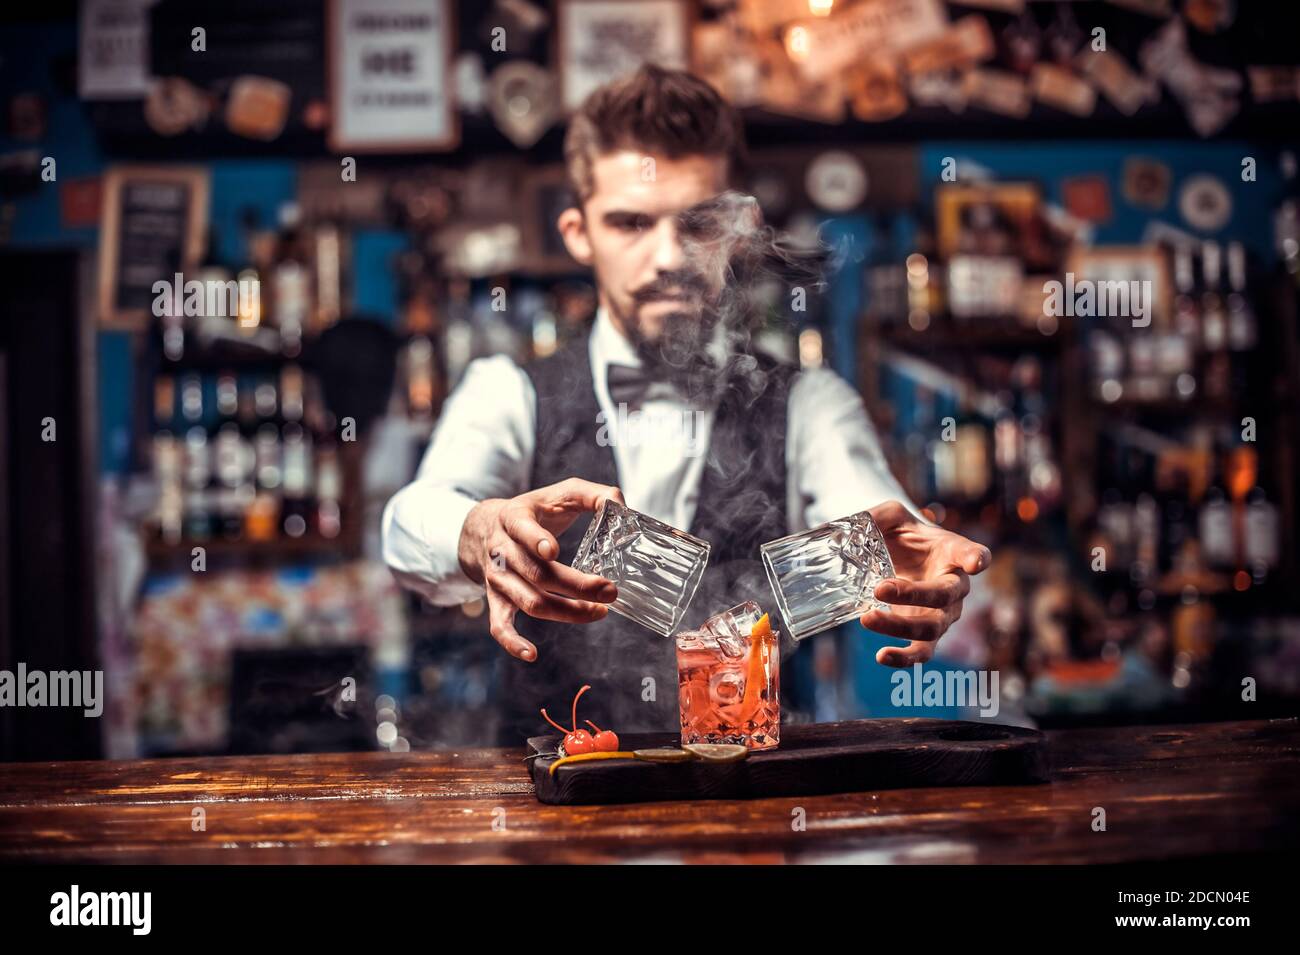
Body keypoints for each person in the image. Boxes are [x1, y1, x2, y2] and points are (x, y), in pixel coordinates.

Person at [382, 64, 990, 743]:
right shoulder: (508, 391)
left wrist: (903, 568)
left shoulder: (811, 404)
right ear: (579, 234)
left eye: (697, 223)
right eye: (631, 223)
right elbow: (409, 523)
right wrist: (479, 531)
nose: (667, 256)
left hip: (754, 820)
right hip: (555, 815)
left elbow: (876, 520)